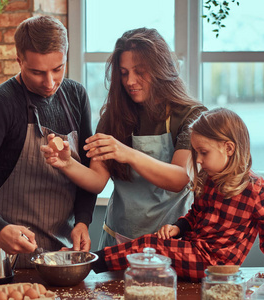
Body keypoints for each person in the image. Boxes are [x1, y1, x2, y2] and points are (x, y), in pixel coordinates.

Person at [90, 108, 264, 282]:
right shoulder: (209, 180)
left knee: (150, 247)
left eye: (204, 152)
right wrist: (177, 228)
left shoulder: (255, 189)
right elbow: (194, 215)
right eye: (196, 152)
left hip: (215, 265)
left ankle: (91, 261)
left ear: (229, 148)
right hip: (195, 250)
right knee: (151, 249)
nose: (198, 159)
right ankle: (95, 262)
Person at [41, 27, 206, 247]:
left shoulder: (191, 115)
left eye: (140, 71)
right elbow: (97, 181)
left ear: (160, 69)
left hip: (173, 240)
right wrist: (67, 163)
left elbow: (179, 179)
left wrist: (127, 153)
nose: (130, 81)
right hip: (119, 239)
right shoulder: (113, 116)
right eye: (124, 72)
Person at [0, 15, 97, 268]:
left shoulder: (76, 96)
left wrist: (83, 221)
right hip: (7, 257)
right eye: (37, 72)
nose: (50, 82)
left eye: (58, 68)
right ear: (19, 60)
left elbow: (88, 170)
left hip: (64, 256)